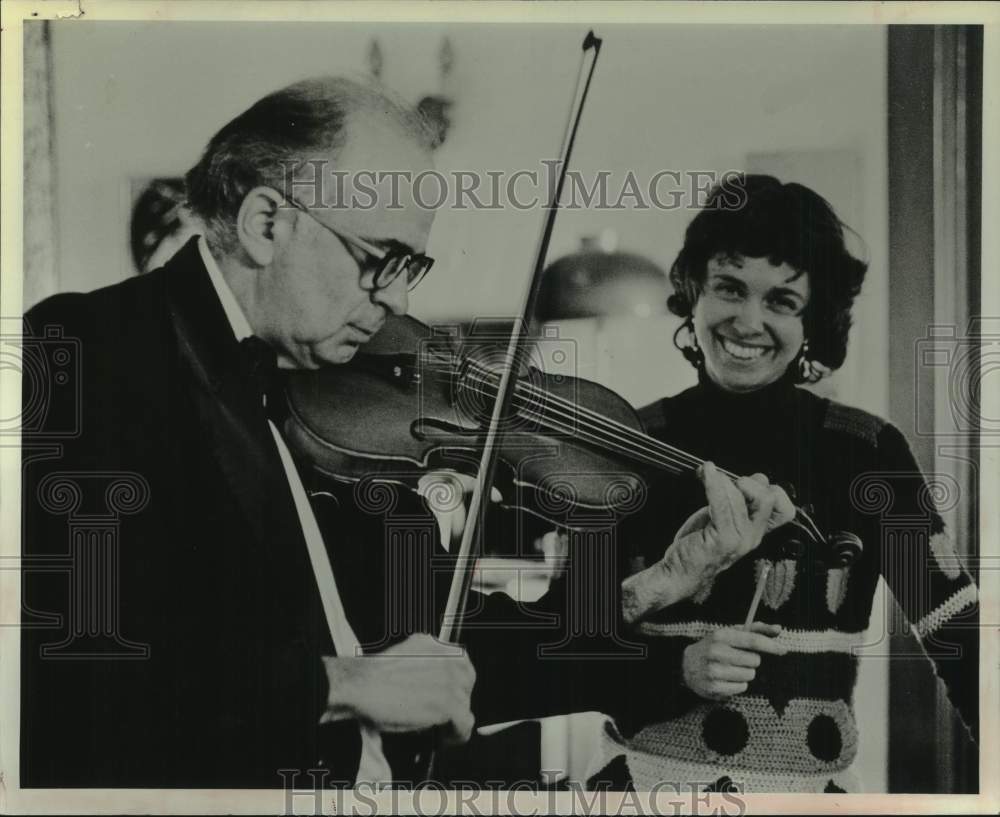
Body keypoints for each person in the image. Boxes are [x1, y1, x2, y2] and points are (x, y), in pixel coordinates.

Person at [19, 79, 795, 789]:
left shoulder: (343, 411)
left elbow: (453, 657)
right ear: (265, 222)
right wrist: (342, 684)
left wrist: (648, 588)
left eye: (408, 269)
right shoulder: (93, 347)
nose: (389, 306)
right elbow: (70, 677)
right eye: (377, 259)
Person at [590, 175, 979, 793]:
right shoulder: (630, 439)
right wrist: (675, 668)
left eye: (781, 301)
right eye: (730, 288)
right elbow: (569, 639)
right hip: (638, 790)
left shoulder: (867, 449)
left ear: (812, 321)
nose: (748, 321)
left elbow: (959, 630)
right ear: (694, 292)